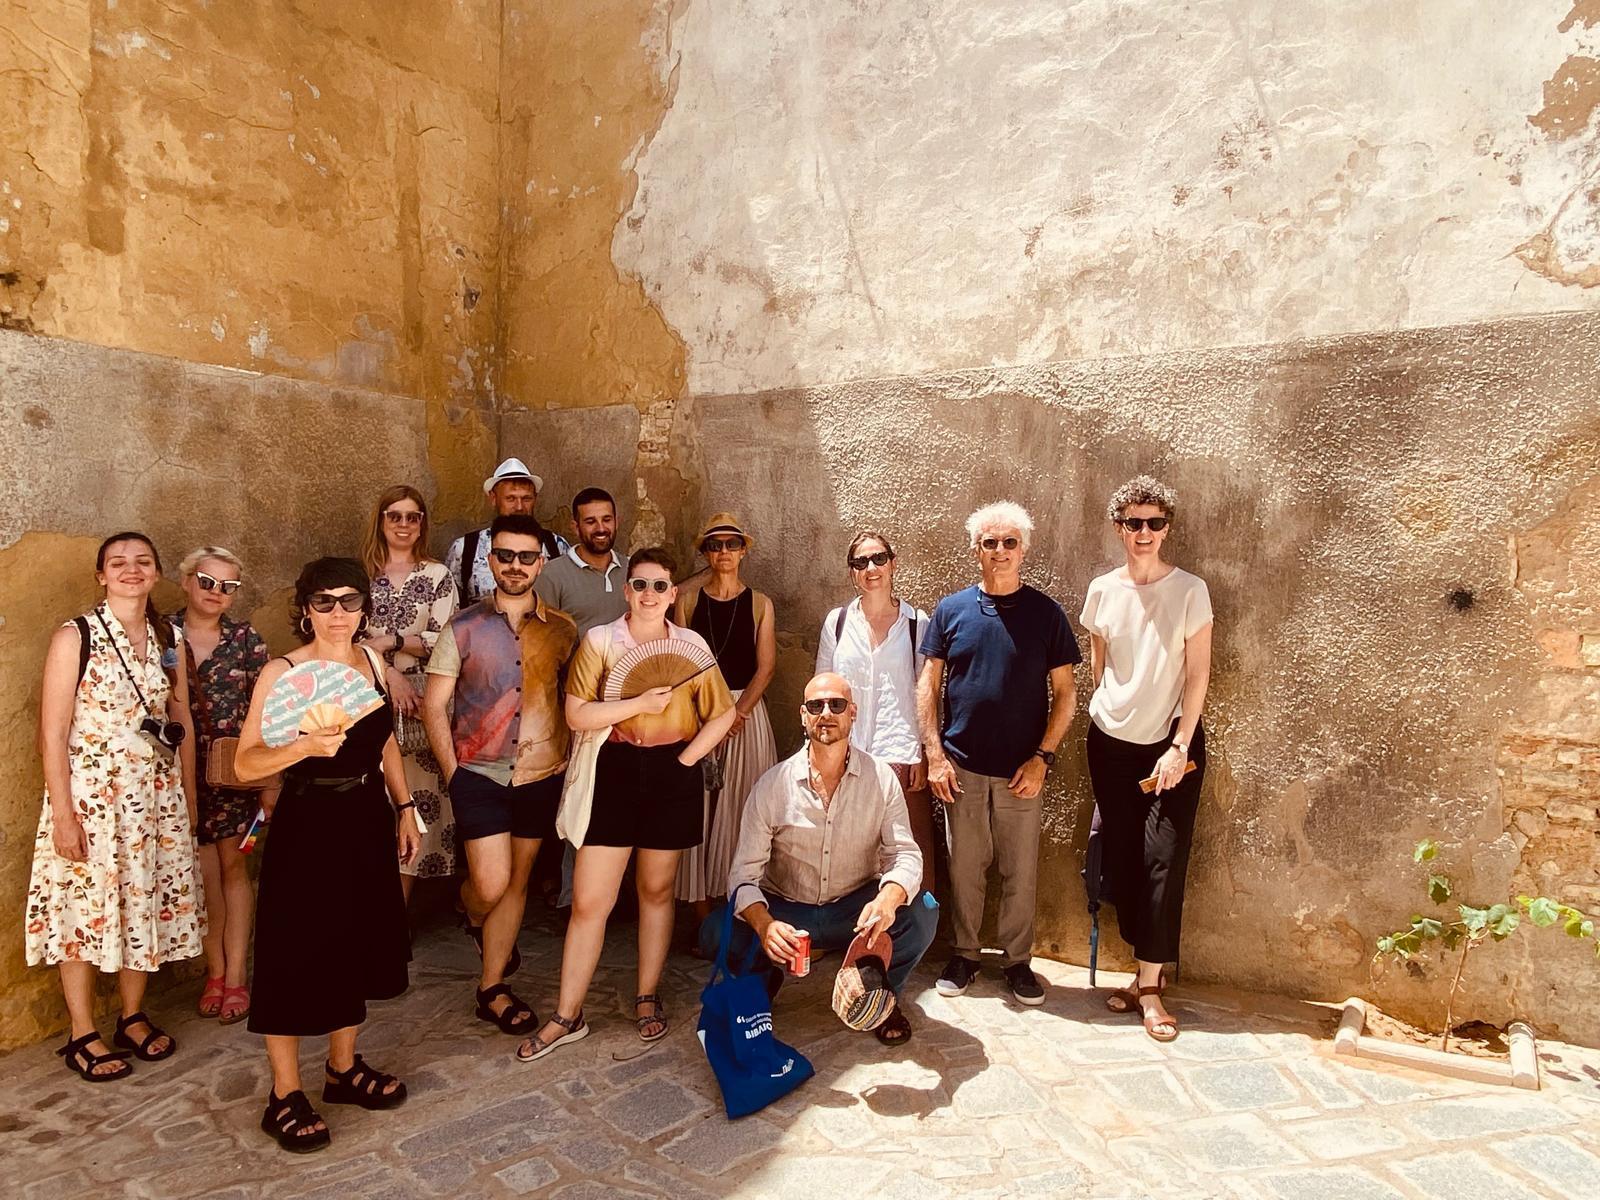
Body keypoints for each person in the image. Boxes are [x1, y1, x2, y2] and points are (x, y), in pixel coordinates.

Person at [516, 548, 738, 1062]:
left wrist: (685, 762)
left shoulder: (691, 646)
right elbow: (576, 714)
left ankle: (646, 996)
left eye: (659, 586)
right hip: (612, 771)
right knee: (590, 901)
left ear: (673, 593)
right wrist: (638, 703)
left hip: (672, 772)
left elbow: (723, 714)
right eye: (640, 585)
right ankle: (567, 1015)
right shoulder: (600, 641)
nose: (649, 595)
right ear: (626, 590)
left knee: (656, 892)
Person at [235, 558, 421, 1153]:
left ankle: (342, 1070)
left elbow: (384, 740)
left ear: (364, 607)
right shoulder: (282, 672)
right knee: (294, 950)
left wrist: (405, 806)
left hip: (366, 816)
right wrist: (302, 746)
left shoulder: (372, 662)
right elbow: (245, 762)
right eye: (324, 602)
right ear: (305, 609)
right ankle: (284, 1093)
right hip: (307, 821)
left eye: (349, 600)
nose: (338, 612)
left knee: (355, 942)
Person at [26, 532, 204, 1082]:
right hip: (92, 801)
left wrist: (188, 798)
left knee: (143, 899)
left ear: (156, 574)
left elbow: (180, 717)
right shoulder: (74, 636)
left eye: (143, 562)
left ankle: (131, 1016)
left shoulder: (169, 636)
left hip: (154, 799)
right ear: (101, 575)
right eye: (118, 563)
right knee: (81, 911)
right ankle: (82, 1032)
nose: (131, 570)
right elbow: (52, 734)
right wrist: (63, 816)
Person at [707, 672, 936, 1046]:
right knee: (717, 931)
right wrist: (766, 927)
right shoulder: (772, 786)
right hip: (789, 912)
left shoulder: (881, 779)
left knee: (923, 911)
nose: (826, 713)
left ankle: (878, 992)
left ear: (852, 713)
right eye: (815, 706)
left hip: (854, 912)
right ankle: (763, 979)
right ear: (803, 715)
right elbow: (743, 877)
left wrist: (887, 900)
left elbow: (905, 854)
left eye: (836, 704)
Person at [917, 501, 1081, 1006]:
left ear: (1023, 550)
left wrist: (1042, 758)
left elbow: (1067, 694)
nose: (1000, 550)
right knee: (964, 870)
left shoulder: (1046, 614)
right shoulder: (951, 611)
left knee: (1019, 871)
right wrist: (935, 756)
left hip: (1021, 772)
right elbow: (928, 685)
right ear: (976, 551)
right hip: (961, 766)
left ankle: (1016, 961)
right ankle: (965, 955)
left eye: (1010, 542)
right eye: (990, 542)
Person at [424, 515, 579, 1037]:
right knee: (489, 885)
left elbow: (571, 698)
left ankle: (492, 988)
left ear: (540, 563)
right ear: (491, 562)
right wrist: (454, 773)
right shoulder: (463, 626)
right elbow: (434, 705)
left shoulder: (563, 630)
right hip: (479, 773)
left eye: (526, 557)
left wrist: (568, 758)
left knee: (516, 882)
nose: (516, 565)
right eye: (506, 556)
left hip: (540, 773)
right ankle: (471, 913)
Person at [1081, 476, 1213, 1042]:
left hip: (1171, 747)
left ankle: (1152, 988)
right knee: (1126, 860)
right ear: (1119, 528)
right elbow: (1100, 664)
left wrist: (1179, 745)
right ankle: (1142, 974)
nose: (1144, 532)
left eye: (1154, 523)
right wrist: (1115, 712)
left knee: (1163, 859)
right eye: (1134, 522)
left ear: (1167, 529)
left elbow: (1198, 674)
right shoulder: (1102, 591)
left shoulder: (1190, 590)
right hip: (1110, 743)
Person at [171, 545, 275, 1026]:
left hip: (235, 774)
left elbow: (267, 712)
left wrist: (269, 782)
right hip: (178, 775)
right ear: (187, 581)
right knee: (204, 875)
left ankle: (236, 976)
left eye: (227, 586)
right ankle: (214, 972)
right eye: (207, 582)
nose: (216, 593)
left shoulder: (246, 641)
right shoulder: (161, 635)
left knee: (234, 869)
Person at [816, 530, 936, 891]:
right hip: (846, 755)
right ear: (852, 572)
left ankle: (914, 925)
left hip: (901, 755)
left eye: (879, 558)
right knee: (848, 857)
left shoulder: (916, 623)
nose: (871, 568)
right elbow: (822, 690)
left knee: (910, 854)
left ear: (892, 564)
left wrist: (925, 753)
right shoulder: (837, 623)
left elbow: (926, 693)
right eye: (861, 562)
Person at [673, 513, 778, 912]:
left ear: (743, 551)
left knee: (743, 805)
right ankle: (701, 910)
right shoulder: (687, 602)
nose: (724, 551)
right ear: (705, 553)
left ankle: (738, 903)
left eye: (732, 544)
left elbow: (766, 668)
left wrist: (735, 714)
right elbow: (681, 665)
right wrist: (707, 715)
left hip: (744, 715)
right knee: (699, 806)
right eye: (714, 545)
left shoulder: (760, 604)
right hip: (699, 712)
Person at [358, 485, 459, 892]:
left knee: (415, 808)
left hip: (419, 705)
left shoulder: (437, 576)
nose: (404, 524)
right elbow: (343, 640)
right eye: (395, 516)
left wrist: (390, 641)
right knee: (372, 808)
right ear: (381, 520)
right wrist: (388, 671)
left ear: (422, 524)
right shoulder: (361, 576)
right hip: (365, 698)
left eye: (412, 517)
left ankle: (396, 918)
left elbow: (447, 639)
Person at [445, 458, 568, 604]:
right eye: (510, 498)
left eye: (526, 499)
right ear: (493, 498)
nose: (519, 507)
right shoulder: (465, 548)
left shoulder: (556, 546)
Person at [534, 486, 628, 636]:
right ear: (576, 527)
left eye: (607, 520)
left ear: (617, 522)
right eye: (591, 522)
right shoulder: (551, 575)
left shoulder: (632, 570)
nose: (601, 528)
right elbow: (543, 636)